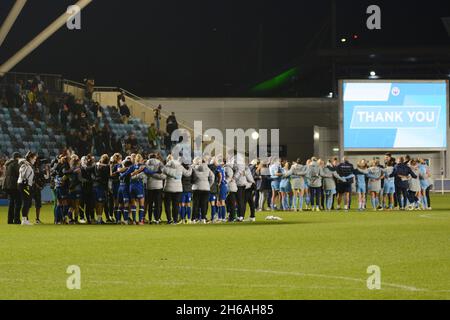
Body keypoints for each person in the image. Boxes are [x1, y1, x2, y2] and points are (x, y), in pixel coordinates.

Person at [162, 155, 191, 224]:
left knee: (167, 205)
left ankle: (169, 219)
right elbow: (188, 174)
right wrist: (190, 167)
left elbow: (162, 176)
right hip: (178, 189)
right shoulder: (180, 167)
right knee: (176, 205)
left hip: (168, 188)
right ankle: (175, 220)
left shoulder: (165, 168)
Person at [192, 157, 214, 223]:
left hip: (196, 188)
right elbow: (212, 177)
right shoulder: (207, 168)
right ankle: (203, 218)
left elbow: (191, 177)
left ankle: (194, 219)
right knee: (204, 204)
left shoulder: (194, 168)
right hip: (206, 188)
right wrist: (208, 185)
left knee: (196, 204)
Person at [17, 152, 38, 225]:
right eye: (34, 159)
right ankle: (24, 219)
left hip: (25, 185)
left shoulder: (28, 165)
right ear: (30, 158)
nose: (35, 160)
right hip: (24, 185)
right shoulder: (26, 165)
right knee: (26, 202)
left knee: (27, 202)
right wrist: (27, 184)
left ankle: (25, 219)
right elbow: (23, 175)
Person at [145, 154, 166, 224]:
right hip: (158, 186)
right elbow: (164, 176)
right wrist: (156, 174)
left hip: (149, 186)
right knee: (157, 204)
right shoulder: (160, 163)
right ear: (156, 157)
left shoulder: (146, 163)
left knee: (150, 204)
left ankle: (150, 219)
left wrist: (151, 174)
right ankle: (157, 219)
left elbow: (145, 173)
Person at [2, 152, 22, 224]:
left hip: (7, 185)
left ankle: (10, 220)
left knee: (11, 202)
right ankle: (17, 220)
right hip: (14, 185)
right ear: (17, 157)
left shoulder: (8, 163)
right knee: (18, 202)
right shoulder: (15, 163)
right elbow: (19, 173)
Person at [32, 158, 50, 224]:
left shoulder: (40, 169)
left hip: (37, 189)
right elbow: (32, 178)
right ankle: (25, 218)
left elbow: (46, 177)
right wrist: (37, 185)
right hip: (32, 188)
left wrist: (47, 171)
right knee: (28, 203)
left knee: (38, 204)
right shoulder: (32, 168)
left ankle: (37, 219)